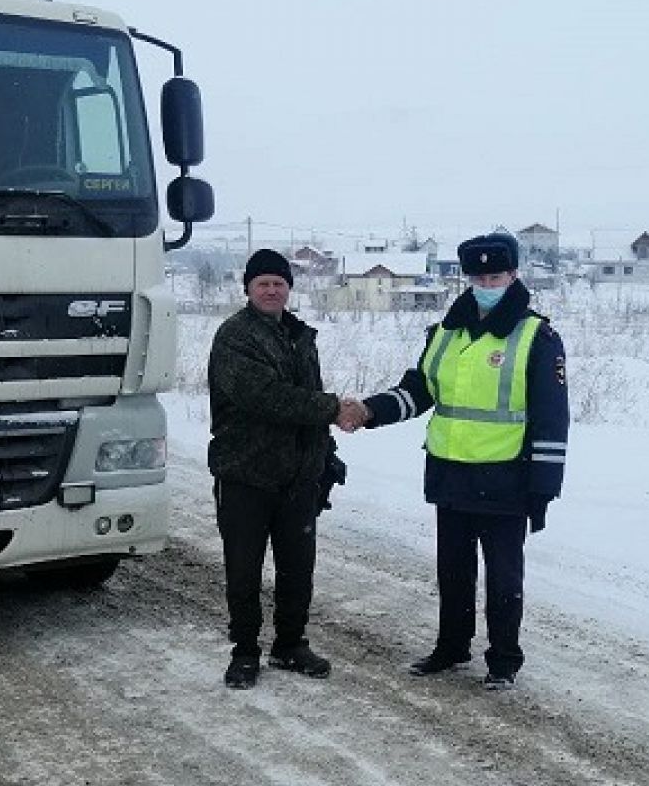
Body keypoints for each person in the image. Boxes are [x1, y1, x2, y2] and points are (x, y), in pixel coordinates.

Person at [339, 232, 568, 689]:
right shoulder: (444, 333)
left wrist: (543, 488)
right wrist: (368, 411)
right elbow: (418, 391)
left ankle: (503, 661)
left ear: (513, 276)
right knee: (453, 573)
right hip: (451, 476)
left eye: (495, 275)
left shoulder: (536, 336)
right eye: (478, 276)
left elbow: (551, 418)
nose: (486, 282)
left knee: (504, 581)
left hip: (507, 481)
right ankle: (452, 647)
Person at [208, 248, 344, 689]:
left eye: (279, 283)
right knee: (244, 570)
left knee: (297, 567)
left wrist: (327, 452)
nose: (271, 290)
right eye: (263, 283)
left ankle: (290, 644)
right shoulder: (235, 337)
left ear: (289, 289)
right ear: (247, 288)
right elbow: (267, 397)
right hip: (246, 473)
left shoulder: (300, 336)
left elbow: (308, 393)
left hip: (297, 476)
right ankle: (245, 651)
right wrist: (335, 409)